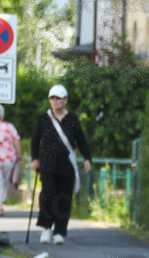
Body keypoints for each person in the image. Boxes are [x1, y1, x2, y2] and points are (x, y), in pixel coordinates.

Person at [30, 84, 93, 244]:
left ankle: (60, 231)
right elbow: (35, 140)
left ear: (65, 100)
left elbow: (81, 140)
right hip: (48, 163)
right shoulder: (44, 118)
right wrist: (34, 159)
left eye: (58, 98)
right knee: (48, 194)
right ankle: (46, 228)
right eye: (52, 98)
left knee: (64, 197)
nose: (55, 101)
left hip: (66, 164)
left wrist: (87, 158)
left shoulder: (72, 119)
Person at [0, 104, 23, 216]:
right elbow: (16, 141)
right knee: (5, 182)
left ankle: (0, 206)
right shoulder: (10, 127)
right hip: (9, 159)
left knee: (0, 182)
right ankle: (0, 205)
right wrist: (19, 155)